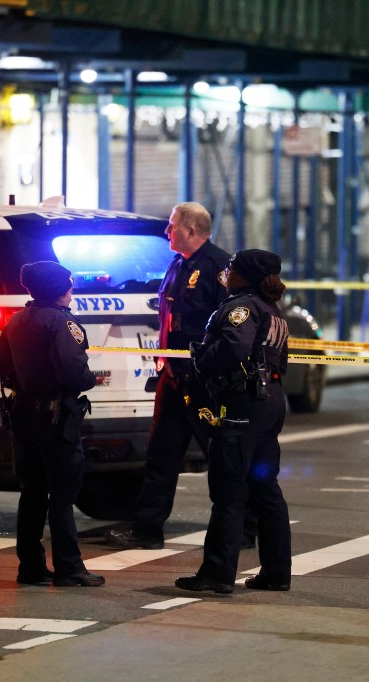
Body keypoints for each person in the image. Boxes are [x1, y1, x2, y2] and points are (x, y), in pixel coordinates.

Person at [105, 202, 238, 550]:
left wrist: (210, 370)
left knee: (222, 455)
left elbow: (230, 327)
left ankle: (243, 527)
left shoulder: (218, 268)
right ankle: (148, 528)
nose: (167, 231)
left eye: (172, 226)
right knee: (161, 455)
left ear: (191, 231)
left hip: (204, 380)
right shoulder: (178, 264)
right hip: (174, 376)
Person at [175, 248, 292, 594]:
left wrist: (201, 358)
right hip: (269, 404)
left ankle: (217, 574)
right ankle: (276, 572)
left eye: (232, 267)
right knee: (265, 490)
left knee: (229, 491)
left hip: (243, 407)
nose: (226, 272)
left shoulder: (243, 308)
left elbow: (233, 348)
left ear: (246, 275)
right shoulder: (274, 311)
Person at [0, 260, 105, 586]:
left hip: (25, 415)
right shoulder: (62, 323)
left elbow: (2, 367)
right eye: (68, 285)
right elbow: (74, 372)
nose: (71, 290)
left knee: (31, 493)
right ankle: (69, 567)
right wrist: (91, 379)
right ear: (59, 290)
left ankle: (30, 567)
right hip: (57, 419)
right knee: (61, 494)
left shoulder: (16, 320)